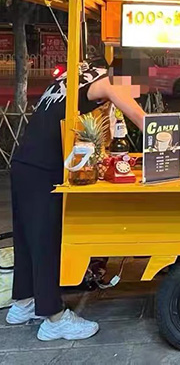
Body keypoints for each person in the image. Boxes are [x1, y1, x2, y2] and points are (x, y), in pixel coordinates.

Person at [5, 57, 146, 341]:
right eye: (136, 86)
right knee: (47, 241)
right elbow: (144, 121)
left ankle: (22, 303)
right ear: (125, 77)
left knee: (27, 238)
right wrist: (172, 144)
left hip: (23, 162)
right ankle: (54, 318)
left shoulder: (74, 75)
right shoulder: (107, 82)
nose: (135, 92)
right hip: (45, 168)